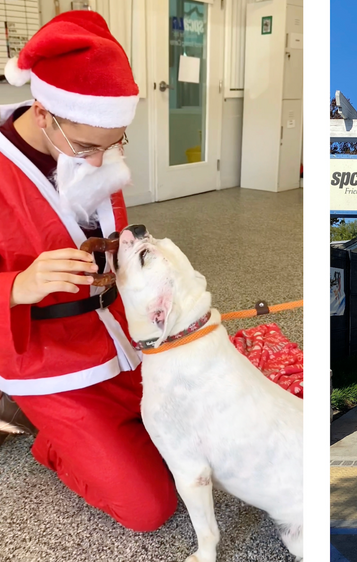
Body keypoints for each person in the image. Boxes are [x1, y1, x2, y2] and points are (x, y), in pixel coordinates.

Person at [0, 12, 176, 531]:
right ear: (44, 112)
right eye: (89, 148)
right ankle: (51, 442)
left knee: (201, 449)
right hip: (48, 360)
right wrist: (18, 286)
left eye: (116, 143)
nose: (102, 162)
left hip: (122, 339)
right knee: (150, 508)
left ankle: (98, 438)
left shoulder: (87, 144)